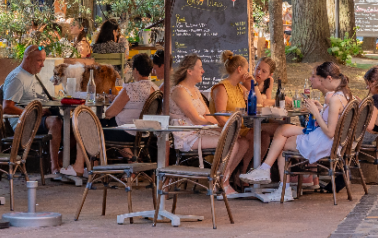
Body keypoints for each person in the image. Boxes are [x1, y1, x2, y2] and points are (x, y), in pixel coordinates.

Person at [239, 61, 353, 184]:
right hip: (334, 141)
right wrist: (321, 109)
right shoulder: (345, 94)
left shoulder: (335, 98)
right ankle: (265, 171)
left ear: (329, 78)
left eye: (321, 80)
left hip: (327, 142)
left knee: (281, 144)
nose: (322, 84)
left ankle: (280, 185)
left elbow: (330, 132)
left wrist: (315, 112)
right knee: (282, 130)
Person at [168, 53, 248, 196]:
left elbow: (208, 116)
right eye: (200, 67)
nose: (203, 71)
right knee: (232, 143)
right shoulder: (179, 91)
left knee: (242, 143)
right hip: (187, 135)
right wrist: (220, 127)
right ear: (189, 71)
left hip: (200, 131)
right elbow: (196, 119)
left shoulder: (195, 90)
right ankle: (220, 183)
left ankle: (223, 178)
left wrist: (222, 127)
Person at [1, 45, 73, 176]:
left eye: (43, 60)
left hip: (37, 116)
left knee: (74, 125)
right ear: (27, 59)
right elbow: (6, 107)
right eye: (39, 61)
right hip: (23, 122)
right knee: (55, 122)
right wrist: (34, 113)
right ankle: (54, 167)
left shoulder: (32, 75)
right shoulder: (17, 78)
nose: (43, 65)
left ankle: (62, 160)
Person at [102, 53, 158, 148]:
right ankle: (131, 158)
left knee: (95, 127)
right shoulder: (156, 89)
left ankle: (94, 162)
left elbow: (109, 113)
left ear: (135, 70)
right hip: (146, 134)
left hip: (126, 133)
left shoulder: (132, 88)